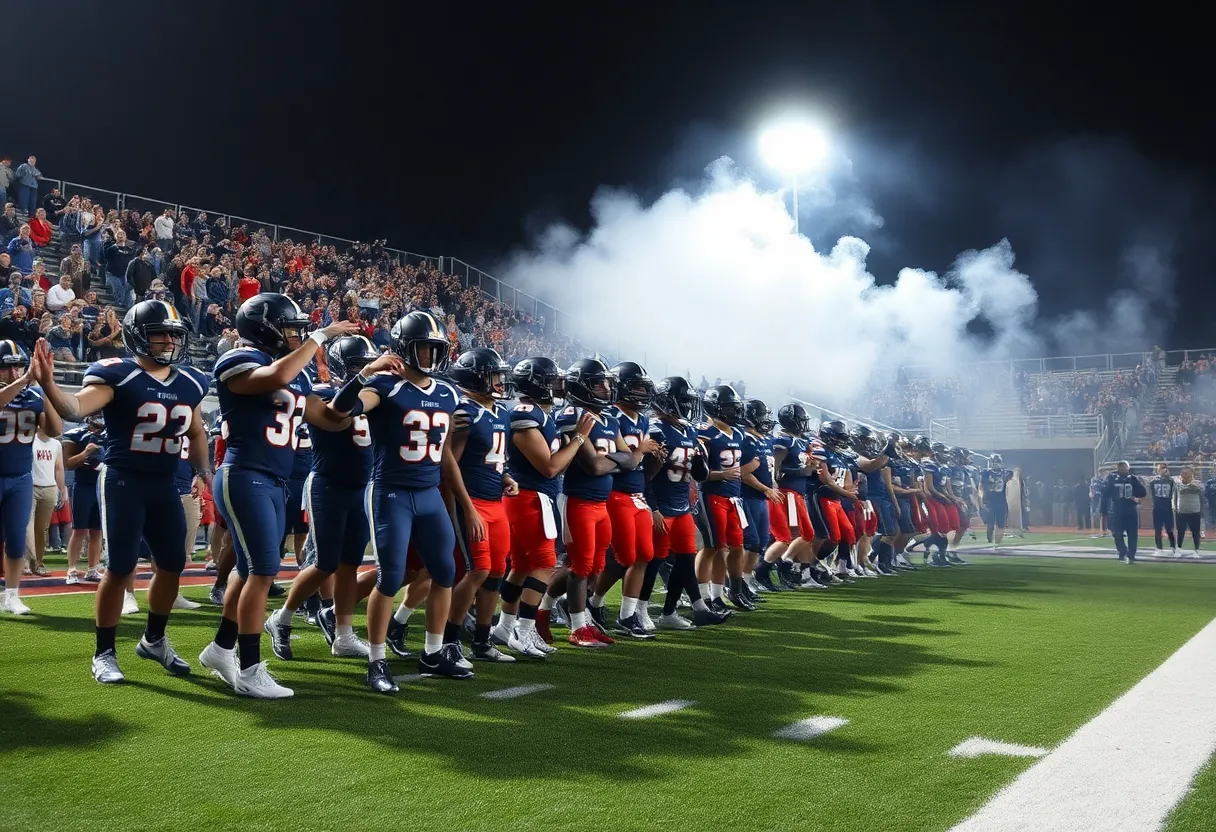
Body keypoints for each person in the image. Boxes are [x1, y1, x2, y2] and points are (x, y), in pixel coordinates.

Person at [33, 302, 209, 682]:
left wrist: (203, 469)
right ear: (137, 335)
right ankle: (104, 652)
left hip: (165, 482)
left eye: (172, 334)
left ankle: (154, 639)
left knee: (173, 564)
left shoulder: (190, 382)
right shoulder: (118, 374)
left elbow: (196, 431)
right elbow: (75, 408)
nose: (168, 341)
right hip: (123, 480)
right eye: (159, 333)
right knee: (120, 567)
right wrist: (48, 383)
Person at [198, 294, 359, 699]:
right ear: (265, 327)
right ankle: (250, 669)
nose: (297, 334)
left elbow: (331, 420)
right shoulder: (240, 359)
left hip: (274, 479)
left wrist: (365, 381)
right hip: (243, 474)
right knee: (263, 572)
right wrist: (320, 337)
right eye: (290, 326)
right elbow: (271, 378)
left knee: (250, 570)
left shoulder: (297, 373)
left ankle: (221, 648)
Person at [326, 310, 485, 694]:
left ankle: (433, 651)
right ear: (403, 348)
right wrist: (365, 373)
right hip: (390, 491)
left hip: (429, 493)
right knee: (391, 576)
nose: (431, 356)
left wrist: (465, 500)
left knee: (446, 573)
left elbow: (445, 452)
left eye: (435, 349)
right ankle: (376, 660)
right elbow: (339, 410)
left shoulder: (447, 393)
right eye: (423, 348)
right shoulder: (385, 385)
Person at [263, 336, 378, 661]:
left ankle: (343, 634)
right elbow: (337, 414)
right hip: (327, 485)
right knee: (324, 562)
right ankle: (281, 617)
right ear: (344, 367)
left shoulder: (374, 396)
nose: (366, 370)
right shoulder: (327, 392)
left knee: (349, 564)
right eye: (359, 365)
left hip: (359, 487)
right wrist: (364, 380)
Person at [490, 357, 589, 654]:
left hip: (532, 496)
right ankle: (524, 630)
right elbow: (549, 467)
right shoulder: (526, 414)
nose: (559, 385)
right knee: (545, 563)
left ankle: (505, 627)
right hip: (530, 496)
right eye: (552, 379)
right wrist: (579, 439)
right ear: (536, 383)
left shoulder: (542, 413)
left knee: (521, 566)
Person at [443, 347, 518, 661]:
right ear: (475, 378)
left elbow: (494, 459)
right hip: (471, 501)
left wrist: (505, 478)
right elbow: (450, 466)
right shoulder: (463, 413)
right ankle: (450, 640)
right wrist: (466, 508)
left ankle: (483, 641)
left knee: (497, 571)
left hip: (495, 500)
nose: (500, 382)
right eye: (493, 376)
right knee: (478, 570)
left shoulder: (501, 412)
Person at [588, 362, 660, 637]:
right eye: (636, 387)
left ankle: (628, 615)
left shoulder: (642, 420)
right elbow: (623, 461)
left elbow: (641, 467)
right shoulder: (610, 417)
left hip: (637, 493)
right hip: (615, 492)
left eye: (644, 387)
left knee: (645, 554)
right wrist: (640, 452)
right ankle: (593, 602)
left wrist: (654, 459)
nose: (642, 393)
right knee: (626, 555)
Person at [645, 376, 723, 628]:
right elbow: (644, 475)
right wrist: (653, 508)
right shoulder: (655, 429)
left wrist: (700, 458)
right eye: (683, 400)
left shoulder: (688, 429)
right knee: (654, 560)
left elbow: (700, 475)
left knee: (686, 558)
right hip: (661, 504)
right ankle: (639, 610)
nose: (687, 405)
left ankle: (669, 613)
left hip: (681, 505)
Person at [0, 340, 62, 615]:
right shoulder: (16, 387)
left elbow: (55, 430)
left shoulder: (33, 396)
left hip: (20, 478)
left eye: (18, 367)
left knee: (15, 539)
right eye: (6, 367)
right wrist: (25, 379)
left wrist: (46, 387)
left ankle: (11, 595)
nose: (13, 372)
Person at [62, 414, 106, 584]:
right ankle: (71, 569)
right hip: (83, 485)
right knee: (79, 530)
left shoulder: (110, 433)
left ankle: (92, 569)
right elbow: (69, 463)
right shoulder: (76, 434)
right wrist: (86, 452)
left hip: (102, 485)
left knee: (97, 531)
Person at [23, 423, 67, 576]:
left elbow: (59, 467)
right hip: (30, 486)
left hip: (49, 487)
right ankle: (31, 562)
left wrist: (63, 488)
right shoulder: (29, 439)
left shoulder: (56, 444)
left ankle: (38, 561)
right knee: (28, 527)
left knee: (41, 529)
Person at [1100, 461, 1146, 563]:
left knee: (1132, 534)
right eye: (1121, 468)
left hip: (1130, 510)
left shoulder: (1133, 478)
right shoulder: (1112, 478)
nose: (1123, 470)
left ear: (1128, 468)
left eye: (1125, 468)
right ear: (1118, 468)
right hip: (1116, 510)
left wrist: (1135, 494)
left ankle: (1131, 554)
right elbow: (1104, 493)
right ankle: (1122, 551)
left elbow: (1143, 492)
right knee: (1117, 533)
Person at [979, 454, 1013, 548]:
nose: (995, 464)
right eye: (994, 462)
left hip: (1001, 500)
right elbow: (981, 487)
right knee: (990, 523)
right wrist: (981, 500)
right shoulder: (986, 473)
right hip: (989, 500)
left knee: (1001, 524)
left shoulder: (1005, 473)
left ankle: (997, 544)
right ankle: (990, 537)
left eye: (997, 462)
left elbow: (1011, 476)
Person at [1173, 467, 1203, 557]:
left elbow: (1202, 495)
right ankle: (1178, 549)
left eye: (1187, 473)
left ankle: (1196, 550)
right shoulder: (1177, 485)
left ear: (1191, 474)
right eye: (1183, 473)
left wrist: (1201, 510)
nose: (1185, 475)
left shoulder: (1198, 484)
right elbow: (1174, 496)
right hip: (1181, 512)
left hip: (1195, 511)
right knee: (1180, 531)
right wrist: (1175, 508)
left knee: (1195, 532)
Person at [1149, 463, 1177, 554]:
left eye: (1164, 468)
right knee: (1157, 529)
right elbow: (1151, 491)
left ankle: (1173, 546)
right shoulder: (1153, 480)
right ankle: (1159, 547)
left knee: (1169, 528)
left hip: (1167, 507)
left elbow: (1175, 491)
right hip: (1157, 507)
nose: (1162, 470)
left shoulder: (1171, 480)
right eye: (1160, 468)